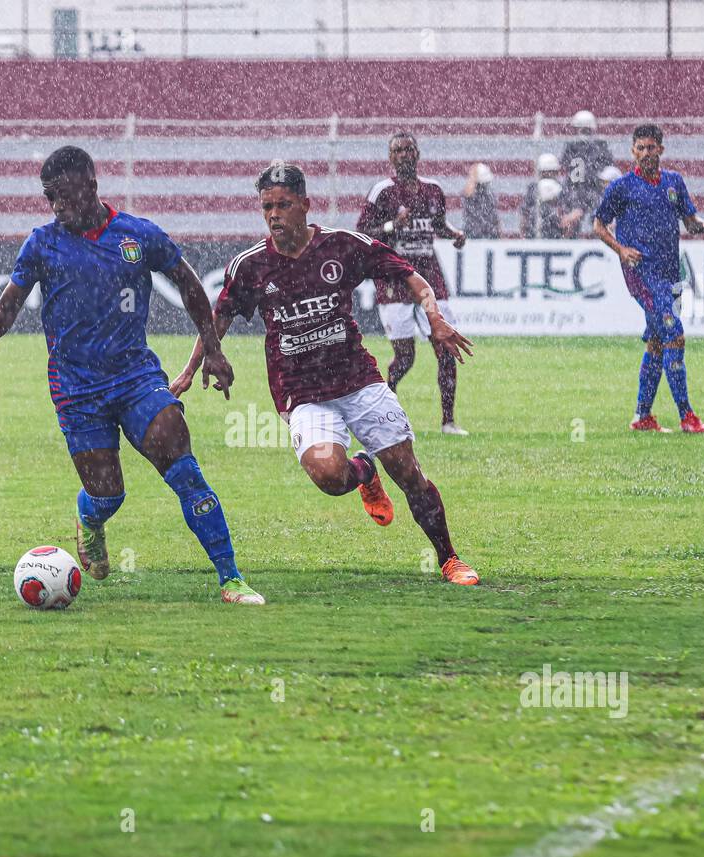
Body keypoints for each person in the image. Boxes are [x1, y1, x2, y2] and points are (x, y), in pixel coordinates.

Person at [0, 145, 265, 605]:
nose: (58, 206)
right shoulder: (42, 243)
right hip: (76, 390)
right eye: (49, 197)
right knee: (108, 496)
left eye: (65, 195)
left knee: (183, 468)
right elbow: (8, 305)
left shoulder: (137, 235)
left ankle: (231, 579)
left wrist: (213, 351)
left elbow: (188, 281)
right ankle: (90, 517)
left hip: (136, 379)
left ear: (92, 187)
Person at [170, 162, 481, 587]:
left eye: (283, 205)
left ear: (304, 205)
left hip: (357, 380)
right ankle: (363, 473)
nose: (274, 214)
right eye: (267, 207)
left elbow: (413, 278)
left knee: (408, 472)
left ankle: (449, 559)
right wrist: (190, 371)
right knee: (331, 478)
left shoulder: (342, 246)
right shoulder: (252, 265)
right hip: (301, 393)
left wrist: (435, 318)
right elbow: (217, 318)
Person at [593, 124, 704, 434]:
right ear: (633, 151)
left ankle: (642, 416)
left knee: (657, 342)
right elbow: (599, 225)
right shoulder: (622, 187)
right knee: (674, 334)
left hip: (669, 273)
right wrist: (621, 249)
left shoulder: (674, 183)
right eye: (641, 148)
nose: (646, 153)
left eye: (652, 148)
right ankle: (687, 416)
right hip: (641, 273)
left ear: (661, 149)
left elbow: (689, 223)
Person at [355, 131, 468, 436]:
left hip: (430, 278)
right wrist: (393, 225)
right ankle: (385, 408)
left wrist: (454, 234)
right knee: (405, 358)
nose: (404, 155)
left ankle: (448, 421)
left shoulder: (433, 190)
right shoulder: (382, 192)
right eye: (397, 151)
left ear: (417, 154)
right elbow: (362, 234)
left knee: (445, 348)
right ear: (390, 158)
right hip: (395, 281)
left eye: (408, 150)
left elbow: (439, 225)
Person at [520, 153, 580, 238]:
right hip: (535, 233)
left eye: (551, 172)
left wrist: (567, 218)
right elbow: (524, 215)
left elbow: (577, 211)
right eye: (545, 172)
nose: (548, 174)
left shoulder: (563, 190)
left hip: (558, 235)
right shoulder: (533, 189)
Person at [560, 109, 615, 187]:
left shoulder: (571, 146)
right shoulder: (600, 146)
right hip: (595, 187)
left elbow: (564, 163)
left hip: (573, 188)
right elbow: (609, 165)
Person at [461, 162, 500, 239]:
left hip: (487, 232)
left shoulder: (489, 195)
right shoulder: (473, 194)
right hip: (475, 233)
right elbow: (467, 193)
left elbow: (494, 216)